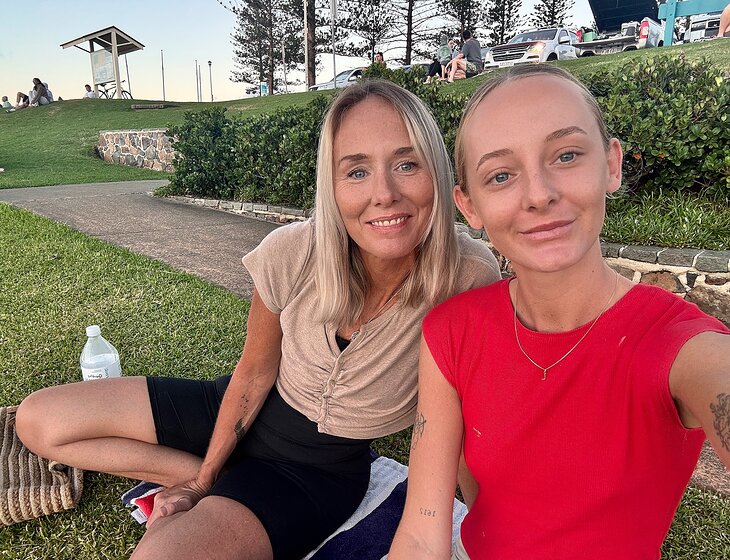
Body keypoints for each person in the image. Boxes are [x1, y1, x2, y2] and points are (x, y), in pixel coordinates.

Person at [15, 79, 501, 560]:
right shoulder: (293, 251)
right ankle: (207, 473)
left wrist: (489, 532)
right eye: (356, 171)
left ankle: (233, 489)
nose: (384, 193)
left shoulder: (467, 276)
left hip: (314, 472)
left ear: (436, 170)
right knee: (37, 421)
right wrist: (201, 480)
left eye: (407, 164)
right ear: (332, 187)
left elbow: (466, 421)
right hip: (237, 408)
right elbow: (253, 373)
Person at [390, 64, 730, 559]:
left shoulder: (679, 344)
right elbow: (422, 534)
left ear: (611, 165)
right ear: (469, 206)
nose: (539, 194)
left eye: (566, 155)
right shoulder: (451, 331)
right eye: (501, 175)